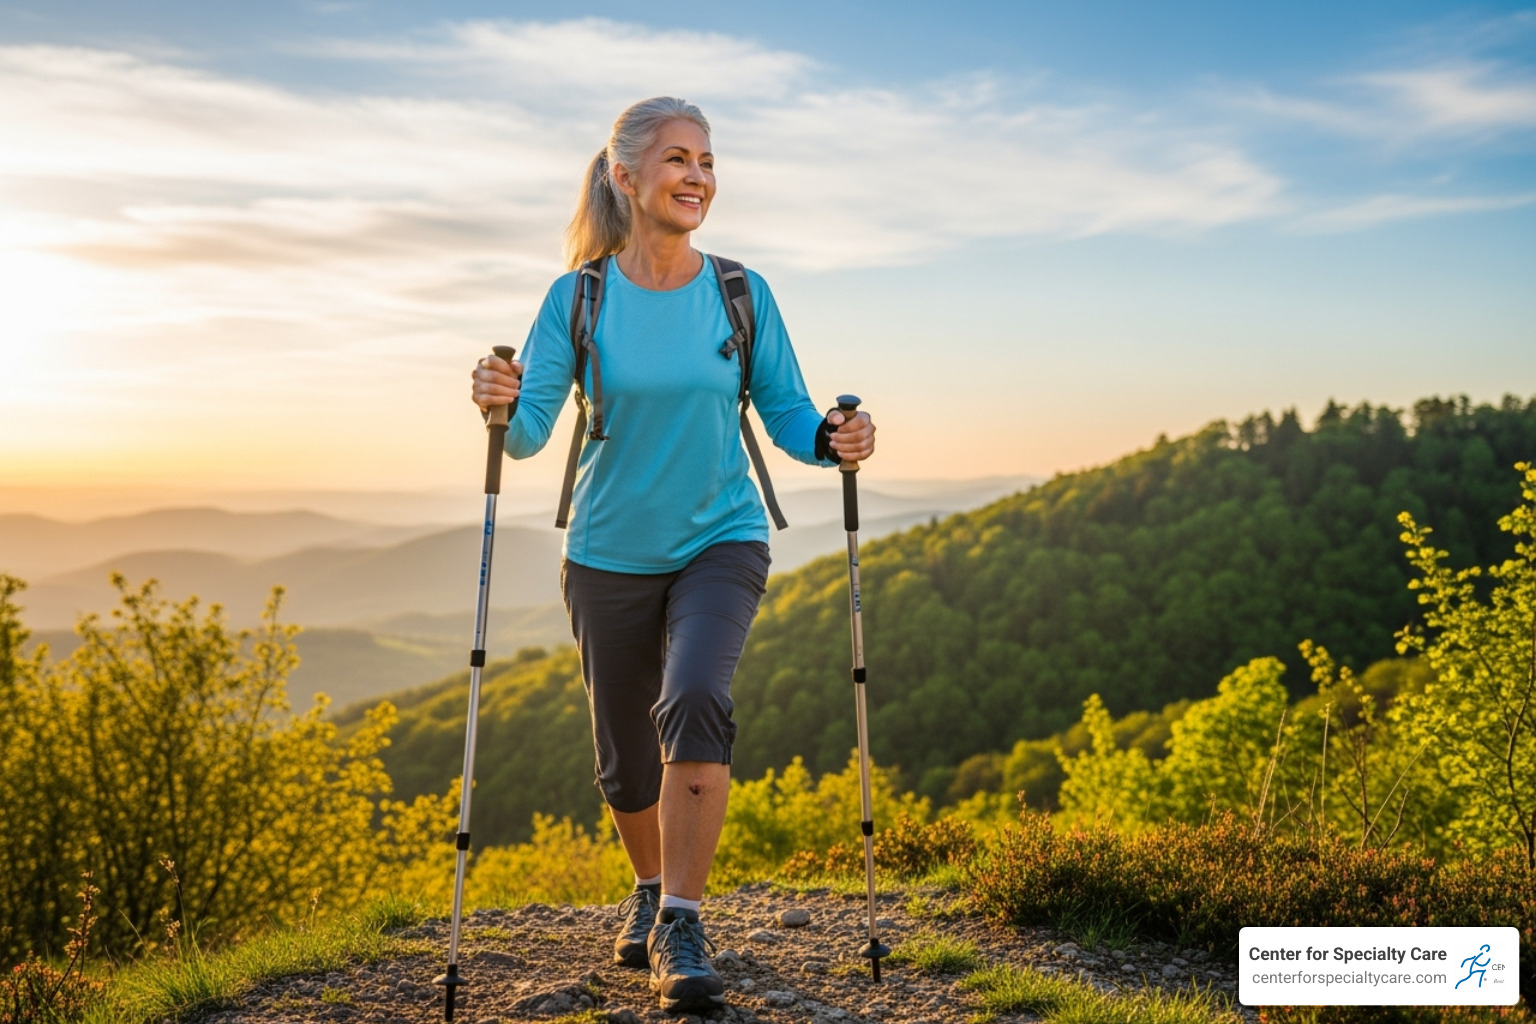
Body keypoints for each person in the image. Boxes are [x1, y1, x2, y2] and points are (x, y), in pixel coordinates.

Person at [470, 96, 875, 1013]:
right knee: (622, 751)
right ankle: (651, 890)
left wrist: (835, 437)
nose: (698, 177)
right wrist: (498, 399)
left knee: (693, 698)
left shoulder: (740, 292)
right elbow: (529, 430)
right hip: (608, 550)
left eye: (707, 160)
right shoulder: (577, 297)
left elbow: (787, 414)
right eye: (678, 160)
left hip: (719, 538)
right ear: (625, 177)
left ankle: (684, 921)